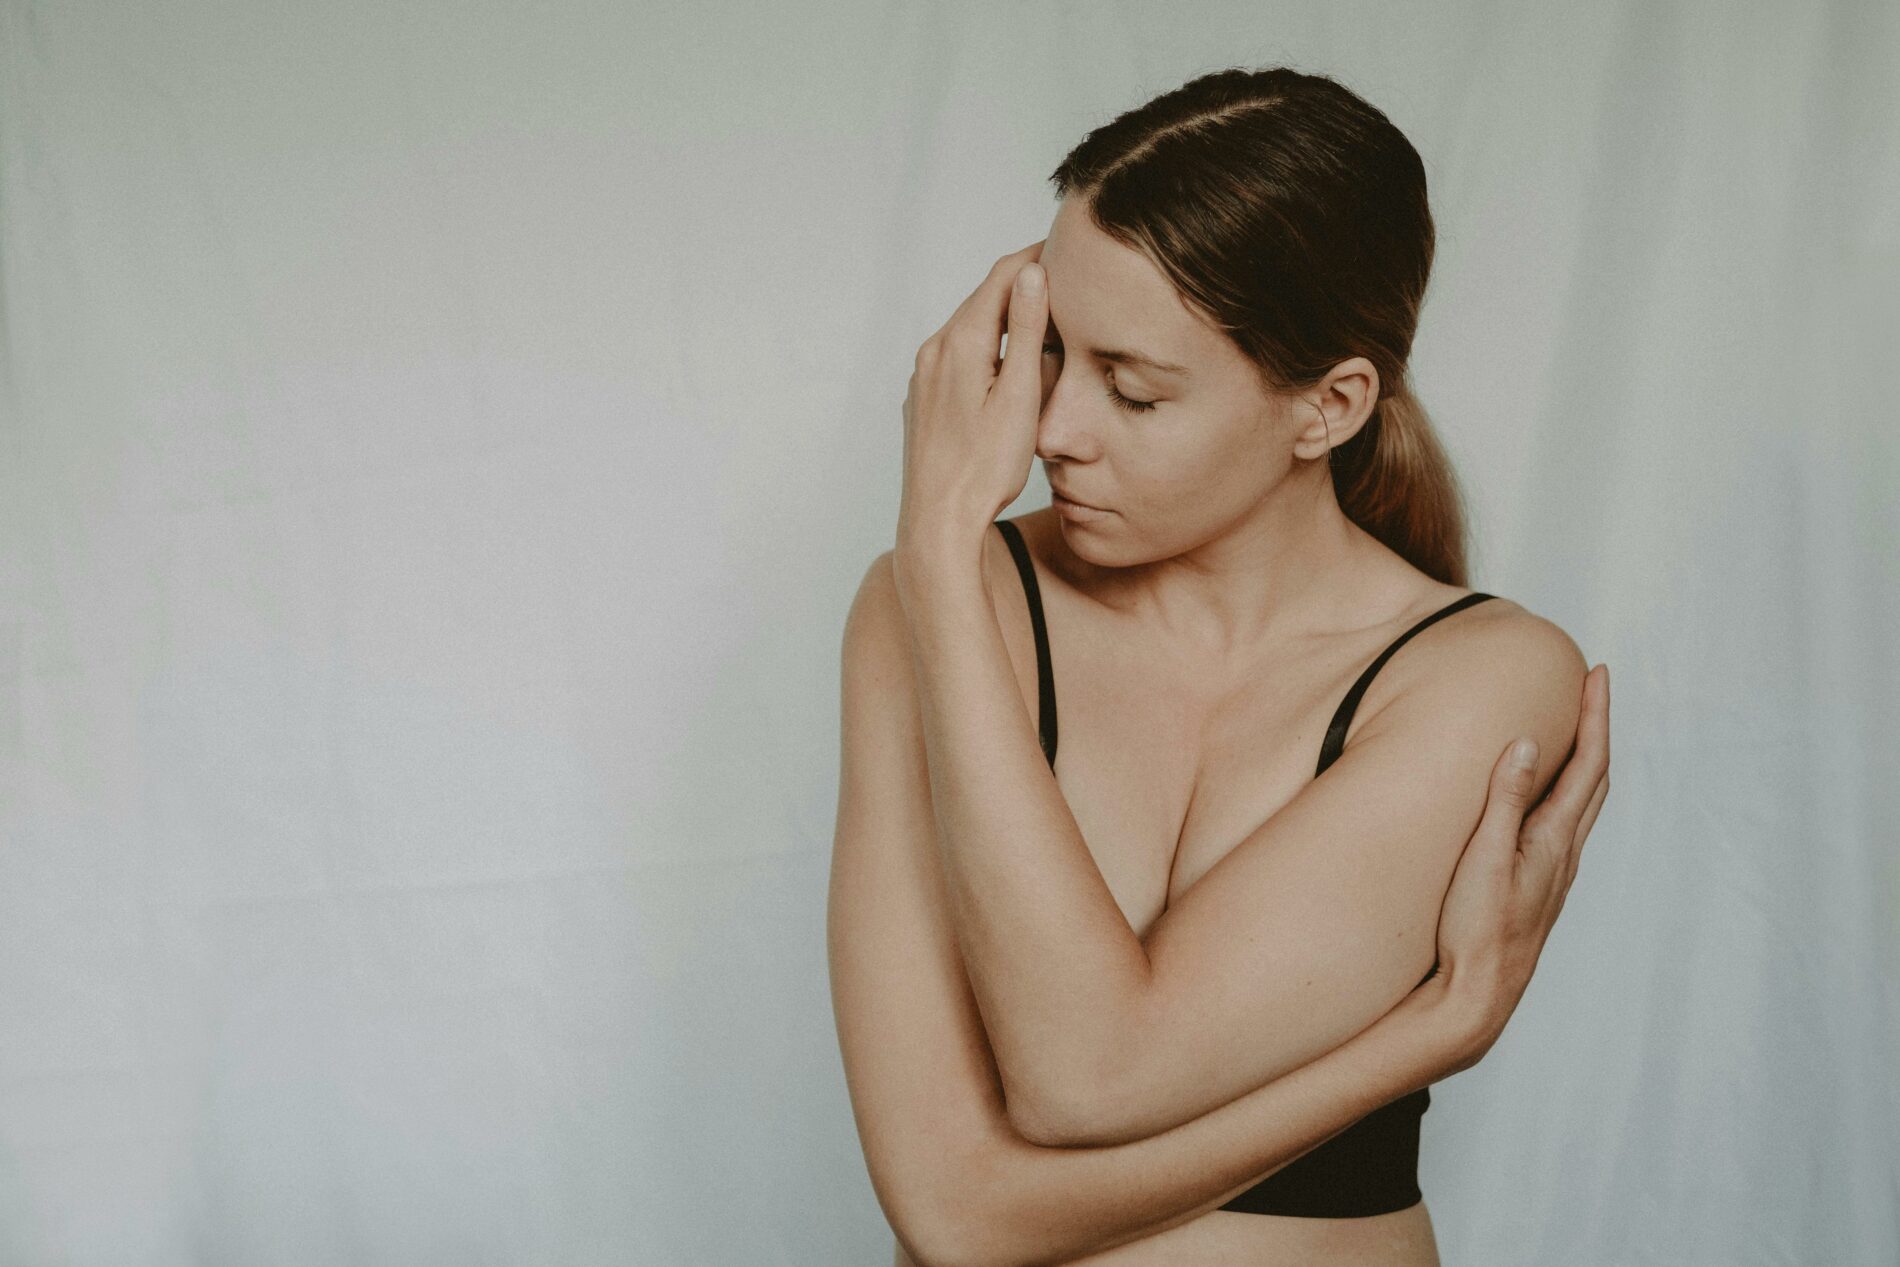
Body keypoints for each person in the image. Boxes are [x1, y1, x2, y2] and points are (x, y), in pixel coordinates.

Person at [830, 66, 1612, 1266]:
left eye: (1132, 391)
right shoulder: (937, 600)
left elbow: (1086, 1078)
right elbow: (952, 1212)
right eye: (1053, 354)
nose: (1051, 433)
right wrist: (1424, 1035)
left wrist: (937, 563)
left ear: (1329, 406)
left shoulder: (1479, 678)